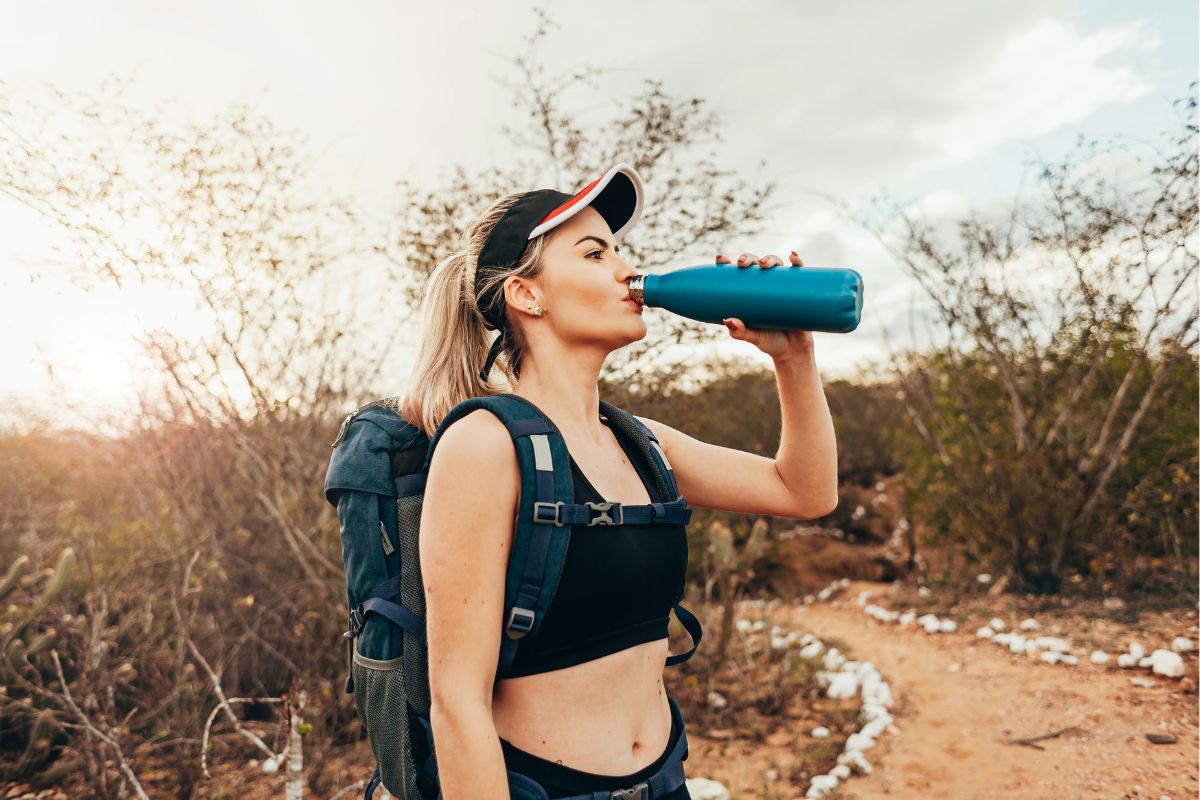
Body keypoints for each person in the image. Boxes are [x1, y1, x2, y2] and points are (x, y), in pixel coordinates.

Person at [397, 163, 838, 799]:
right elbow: (457, 704)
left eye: (620, 249)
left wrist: (793, 358)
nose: (626, 269)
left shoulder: (638, 441)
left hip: (664, 781)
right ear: (528, 295)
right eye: (594, 251)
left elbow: (804, 492)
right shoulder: (484, 444)